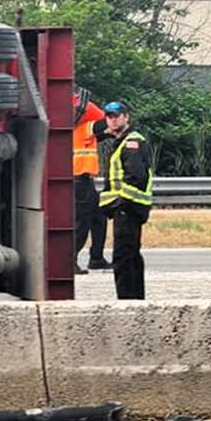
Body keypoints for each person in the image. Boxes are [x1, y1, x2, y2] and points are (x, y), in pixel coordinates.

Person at [98, 101, 153, 299]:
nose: (112, 120)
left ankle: (127, 300)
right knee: (131, 256)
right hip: (126, 207)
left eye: (117, 116)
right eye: (109, 117)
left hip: (128, 207)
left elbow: (135, 177)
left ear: (126, 117)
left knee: (123, 257)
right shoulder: (122, 141)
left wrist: (119, 202)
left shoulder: (131, 143)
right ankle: (135, 299)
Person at [72, 90, 112, 275]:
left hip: (84, 181)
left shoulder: (79, 129)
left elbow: (104, 133)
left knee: (99, 217)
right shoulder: (85, 127)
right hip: (79, 179)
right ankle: (70, 260)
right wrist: (118, 116)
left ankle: (96, 258)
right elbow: (104, 123)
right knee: (82, 221)